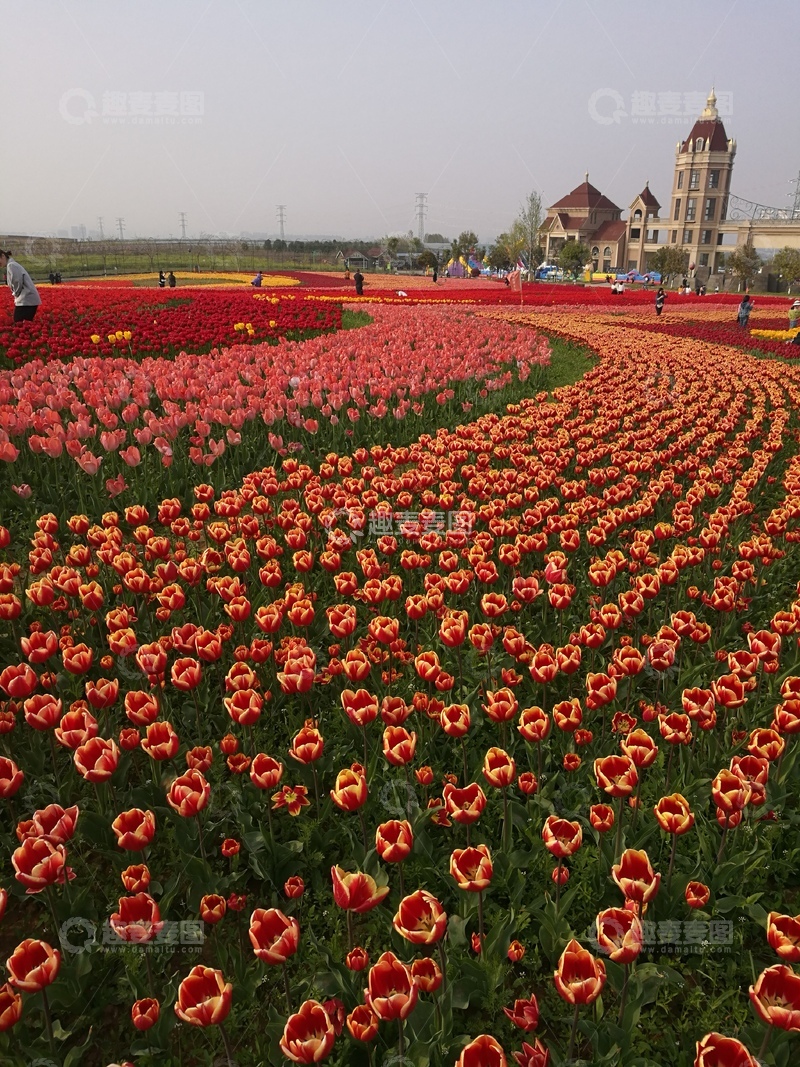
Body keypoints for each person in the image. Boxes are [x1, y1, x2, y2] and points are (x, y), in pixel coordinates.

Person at [0, 250, 42, 322]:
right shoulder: (12, 264)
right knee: (24, 324)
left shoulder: (11, 265)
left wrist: (15, 294)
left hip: (26, 300)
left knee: (19, 322)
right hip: (28, 299)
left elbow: (17, 282)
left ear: (3, 256)